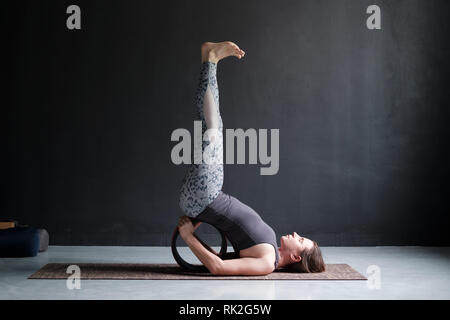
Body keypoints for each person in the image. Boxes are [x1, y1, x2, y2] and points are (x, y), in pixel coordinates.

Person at [177, 41, 325, 276]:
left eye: (301, 240)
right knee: (209, 124)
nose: (297, 234)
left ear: (297, 256)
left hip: (206, 195)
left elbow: (218, 267)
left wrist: (187, 237)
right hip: (205, 197)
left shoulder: (267, 263)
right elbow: (220, 256)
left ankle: (211, 60)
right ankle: (209, 59)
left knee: (212, 127)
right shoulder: (270, 252)